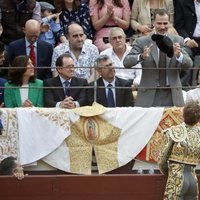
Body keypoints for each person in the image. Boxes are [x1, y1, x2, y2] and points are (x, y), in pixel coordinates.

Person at [123, 9, 193, 107]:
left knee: (175, 123)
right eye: (159, 23)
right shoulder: (142, 41)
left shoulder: (178, 40)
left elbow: (189, 64)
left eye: (165, 23)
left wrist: (179, 55)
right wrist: (142, 56)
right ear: (153, 23)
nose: (162, 27)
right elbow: (126, 62)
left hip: (172, 95)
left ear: (169, 23)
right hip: (149, 95)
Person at [158, 100, 200, 199]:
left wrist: (169, 174)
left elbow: (161, 161)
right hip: (193, 180)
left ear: (183, 115)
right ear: (198, 119)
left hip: (176, 178)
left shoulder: (173, 131)